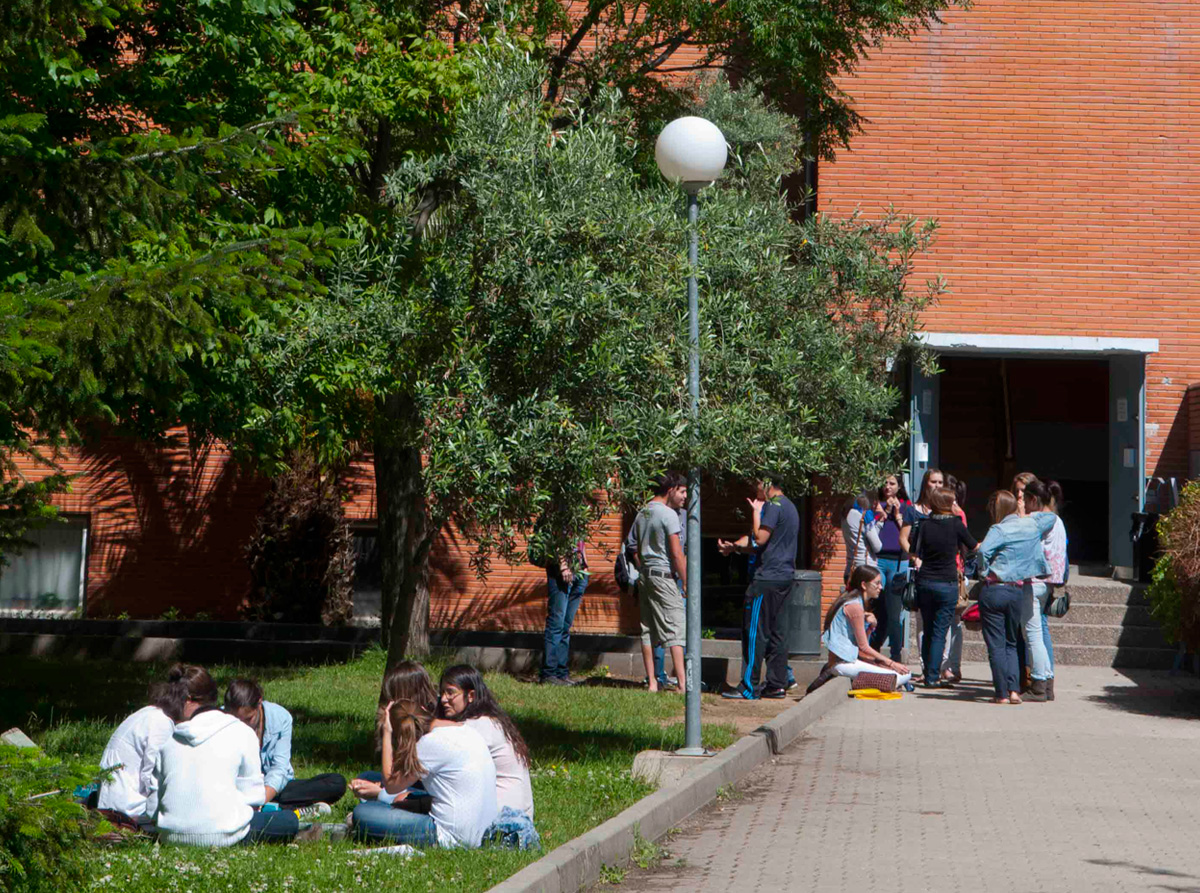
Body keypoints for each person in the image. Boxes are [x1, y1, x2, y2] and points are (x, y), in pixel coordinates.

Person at [154, 664, 311, 845]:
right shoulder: (243, 733)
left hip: (169, 836)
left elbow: (153, 805)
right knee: (288, 821)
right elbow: (253, 799)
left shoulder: (169, 740)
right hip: (222, 834)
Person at [350, 663, 498, 848]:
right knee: (376, 795)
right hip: (483, 830)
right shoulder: (464, 729)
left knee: (363, 814)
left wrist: (387, 733)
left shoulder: (429, 743)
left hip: (453, 837)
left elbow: (391, 785)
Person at [439, 665, 539, 849]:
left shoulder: (478, 725)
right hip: (514, 816)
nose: (444, 699)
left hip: (503, 823)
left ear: (471, 695)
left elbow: (441, 766)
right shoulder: (489, 720)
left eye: (450, 693)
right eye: (442, 693)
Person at [717, 477, 800, 700]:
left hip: (766, 580)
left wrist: (756, 512)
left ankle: (749, 686)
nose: (755, 489)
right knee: (778, 634)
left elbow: (760, 538)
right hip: (784, 578)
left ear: (767, 483)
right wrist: (734, 547)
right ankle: (776, 685)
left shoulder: (772, 506)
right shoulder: (790, 506)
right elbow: (761, 544)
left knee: (755, 632)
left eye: (757, 484)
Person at [976, 490, 1058, 704]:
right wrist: (1026, 514)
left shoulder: (999, 529)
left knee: (996, 645)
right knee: (1012, 643)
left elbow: (982, 552)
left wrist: (984, 572)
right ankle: (1014, 691)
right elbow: (1051, 517)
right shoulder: (1031, 525)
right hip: (1017, 591)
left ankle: (1001, 693)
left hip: (995, 588)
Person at [224, 678, 347, 815]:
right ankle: (291, 810)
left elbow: (279, 769)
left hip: (273, 789)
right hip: (239, 788)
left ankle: (270, 807)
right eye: (236, 720)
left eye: (248, 719)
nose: (243, 726)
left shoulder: (281, 717)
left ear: (259, 704)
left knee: (336, 782)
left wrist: (261, 800)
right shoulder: (218, 721)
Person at [95, 671, 184, 826]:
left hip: (115, 800)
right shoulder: (161, 723)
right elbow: (153, 777)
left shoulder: (149, 713)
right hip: (129, 808)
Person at [910, 487, 978, 688]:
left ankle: (927, 673)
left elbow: (914, 551)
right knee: (940, 631)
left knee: (928, 629)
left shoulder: (923, 524)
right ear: (948, 504)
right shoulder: (956, 524)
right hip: (947, 582)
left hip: (925, 581)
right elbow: (973, 546)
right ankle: (933, 676)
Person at [624, 482, 687, 690]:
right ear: (670, 490)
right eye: (682, 491)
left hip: (645, 576)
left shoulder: (643, 512)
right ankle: (682, 685)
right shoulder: (669, 514)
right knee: (675, 628)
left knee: (647, 630)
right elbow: (677, 553)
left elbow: (633, 546)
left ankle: (652, 682)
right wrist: (686, 581)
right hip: (663, 575)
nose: (685, 496)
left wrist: (643, 567)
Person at [810, 566, 911, 690]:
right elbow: (864, 647)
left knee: (900, 673)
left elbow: (860, 645)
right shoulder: (855, 606)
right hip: (842, 664)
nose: (880, 587)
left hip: (846, 660)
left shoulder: (856, 602)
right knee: (903, 675)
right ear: (864, 585)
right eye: (877, 583)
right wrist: (892, 663)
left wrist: (871, 627)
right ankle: (863, 683)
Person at [1018, 480, 1058, 702]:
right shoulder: (1058, 521)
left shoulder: (1036, 520)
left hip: (1033, 581)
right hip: (1049, 582)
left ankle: (1039, 684)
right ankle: (1048, 683)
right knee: (1040, 634)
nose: (1023, 503)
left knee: (1032, 635)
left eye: (1025, 499)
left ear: (1033, 500)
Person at [870, 474, 916, 662]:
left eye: (892, 483)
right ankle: (871, 650)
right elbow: (870, 532)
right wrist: (884, 511)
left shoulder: (906, 506)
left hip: (899, 562)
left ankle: (895, 655)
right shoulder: (876, 505)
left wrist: (897, 515)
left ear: (899, 487)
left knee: (894, 612)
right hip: (878, 560)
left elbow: (910, 536)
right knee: (877, 606)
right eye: (885, 483)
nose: (887, 486)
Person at [539, 526, 589, 686]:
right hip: (561, 572)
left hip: (579, 572)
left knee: (565, 626)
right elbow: (555, 537)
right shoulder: (558, 513)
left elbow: (581, 540)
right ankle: (549, 673)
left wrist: (585, 565)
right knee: (556, 624)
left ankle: (562, 673)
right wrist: (563, 565)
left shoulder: (579, 514)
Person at [1040, 480, 1069, 699]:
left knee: (1039, 631)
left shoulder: (1045, 521)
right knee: (1042, 629)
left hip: (1039, 579)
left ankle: (1044, 678)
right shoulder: (1058, 521)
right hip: (1051, 578)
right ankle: (1047, 680)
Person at [841, 491, 883, 584]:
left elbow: (862, 537)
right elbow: (877, 547)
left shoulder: (845, 515)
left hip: (851, 567)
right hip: (866, 568)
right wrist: (880, 523)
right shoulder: (864, 515)